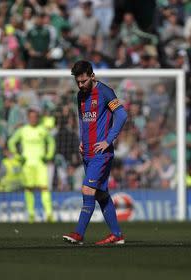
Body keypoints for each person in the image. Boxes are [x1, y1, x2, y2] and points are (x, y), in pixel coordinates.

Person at [63, 60, 127, 245]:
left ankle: (79, 234)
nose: (81, 85)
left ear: (92, 76)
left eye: (83, 81)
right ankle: (117, 235)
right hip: (88, 152)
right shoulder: (80, 96)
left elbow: (122, 115)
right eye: (78, 82)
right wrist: (82, 142)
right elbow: (83, 121)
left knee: (87, 189)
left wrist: (108, 140)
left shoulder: (105, 92)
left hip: (101, 153)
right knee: (100, 194)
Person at [8, 108, 56, 222]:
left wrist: (49, 155)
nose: (33, 119)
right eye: (31, 117)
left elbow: (51, 142)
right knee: (29, 189)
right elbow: (11, 142)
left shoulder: (43, 130)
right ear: (28, 118)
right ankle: (31, 214)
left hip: (40, 164)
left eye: (35, 117)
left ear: (38, 118)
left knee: (44, 187)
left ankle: (49, 214)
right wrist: (17, 156)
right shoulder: (23, 130)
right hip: (27, 164)